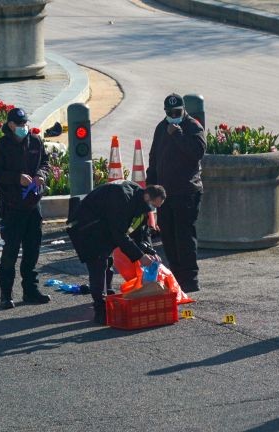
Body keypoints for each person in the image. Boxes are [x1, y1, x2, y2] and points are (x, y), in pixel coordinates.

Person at [67, 181, 166, 324]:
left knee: (107, 262)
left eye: (156, 208)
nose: (152, 210)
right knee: (98, 265)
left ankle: (107, 297)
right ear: (147, 196)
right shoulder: (122, 198)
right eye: (153, 205)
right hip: (87, 228)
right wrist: (140, 256)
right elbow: (119, 234)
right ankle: (100, 311)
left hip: (103, 227)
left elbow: (138, 233)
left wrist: (148, 250)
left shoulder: (139, 202)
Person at [0, 107, 52, 309]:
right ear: (10, 125)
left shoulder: (35, 142)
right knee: (10, 252)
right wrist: (17, 178)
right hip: (12, 207)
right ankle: (6, 295)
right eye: (20, 125)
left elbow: (46, 163)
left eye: (25, 124)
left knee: (32, 250)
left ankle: (30, 291)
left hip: (33, 205)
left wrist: (41, 175)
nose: (24, 128)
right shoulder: (1, 146)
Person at [147, 94, 206, 293]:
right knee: (169, 237)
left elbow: (197, 153)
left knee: (184, 236)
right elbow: (154, 158)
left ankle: (190, 279)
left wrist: (178, 135)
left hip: (187, 191)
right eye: (169, 113)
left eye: (177, 112)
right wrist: (151, 186)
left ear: (183, 110)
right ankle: (176, 277)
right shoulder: (161, 127)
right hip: (165, 193)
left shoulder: (193, 126)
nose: (173, 116)